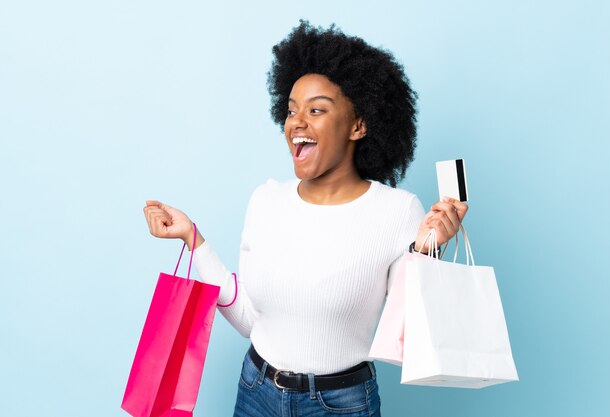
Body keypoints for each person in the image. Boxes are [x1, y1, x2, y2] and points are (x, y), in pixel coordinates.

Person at [143, 20, 468, 417]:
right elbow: (249, 318)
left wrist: (426, 251)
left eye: (316, 110)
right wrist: (192, 239)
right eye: (292, 110)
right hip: (255, 390)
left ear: (358, 125)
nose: (297, 122)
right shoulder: (266, 200)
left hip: (340, 404)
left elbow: (408, 334)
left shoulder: (397, 211)